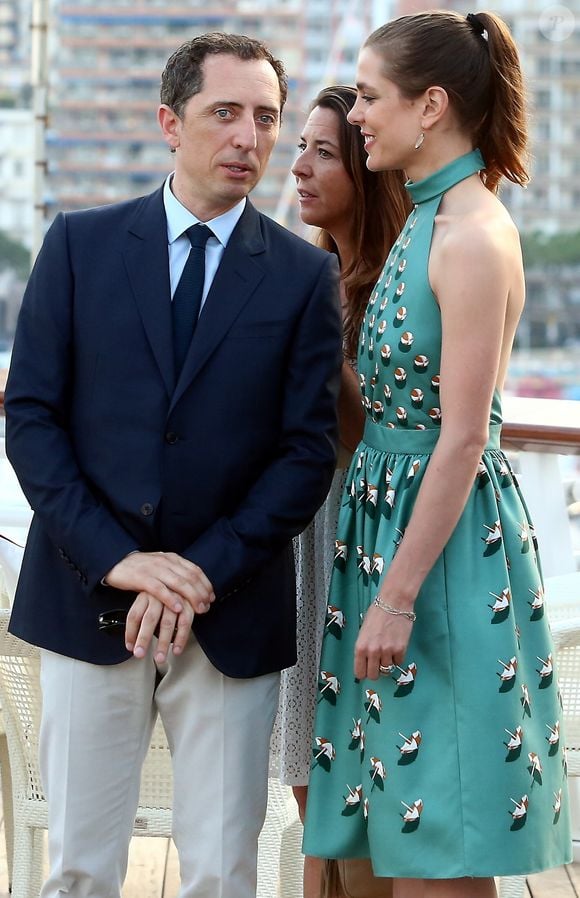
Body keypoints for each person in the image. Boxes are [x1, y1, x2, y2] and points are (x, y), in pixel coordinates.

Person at [4, 32, 343, 898]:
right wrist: (121, 562)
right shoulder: (77, 246)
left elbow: (304, 454)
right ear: (169, 121)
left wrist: (194, 574)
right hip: (86, 599)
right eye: (225, 113)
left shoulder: (304, 278)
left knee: (226, 872)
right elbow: (33, 418)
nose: (250, 138)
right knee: (78, 868)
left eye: (266, 118)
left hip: (230, 616)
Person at [303, 12, 572, 898]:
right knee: (377, 841)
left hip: (440, 567)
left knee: (437, 838)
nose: (361, 116)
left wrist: (396, 597)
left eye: (372, 97)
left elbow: (462, 439)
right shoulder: (423, 221)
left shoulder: (470, 234)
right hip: (384, 540)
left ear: (432, 105)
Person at [269, 85, 409, 897]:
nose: (301, 167)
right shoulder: (307, 269)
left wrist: (321, 333)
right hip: (302, 537)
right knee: (310, 781)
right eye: (302, 148)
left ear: (365, 168)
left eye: (325, 151)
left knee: (363, 781)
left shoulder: (387, 284)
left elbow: (375, 433)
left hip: (364, 533)